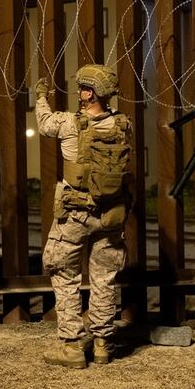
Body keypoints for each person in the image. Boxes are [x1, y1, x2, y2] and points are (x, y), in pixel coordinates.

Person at [35, 64, 132, 368]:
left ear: (90, 93)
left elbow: (44, 124)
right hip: (111, 214)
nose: (79, 93)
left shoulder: (68, 123)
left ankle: (72, 345)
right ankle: (102, 343)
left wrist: (41, 97)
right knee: (104, 278)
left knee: (65, 274)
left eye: (82, 89)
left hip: (74, 213)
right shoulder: (122, 124)